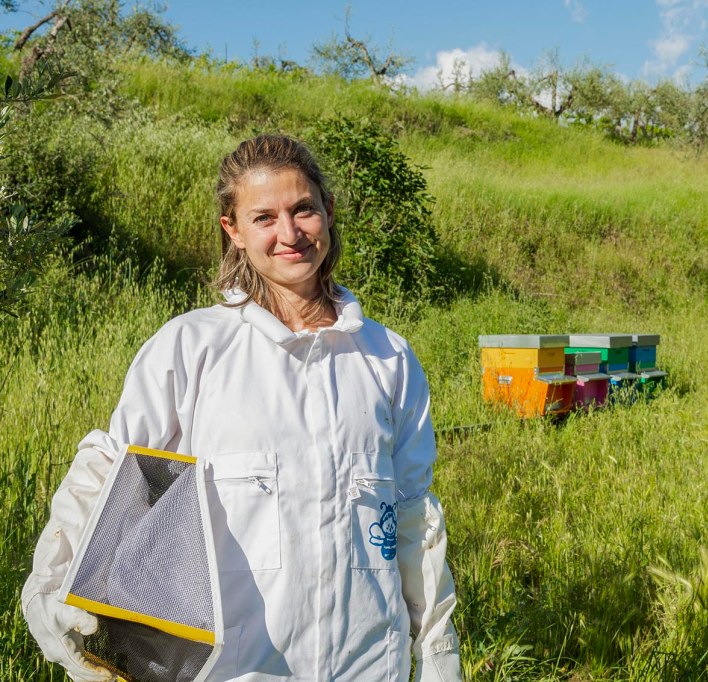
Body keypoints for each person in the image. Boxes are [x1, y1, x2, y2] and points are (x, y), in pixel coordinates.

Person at [21, 134, 462, 681]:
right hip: (233, 668)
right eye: (264, 218)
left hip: (369, 664)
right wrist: (51, 587)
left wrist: (438, 652)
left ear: (328, 211)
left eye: (304, 209)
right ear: (233, 231)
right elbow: (111, 476)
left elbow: (414, 518)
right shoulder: (191, 348)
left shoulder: (387, 357)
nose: (289, 234)